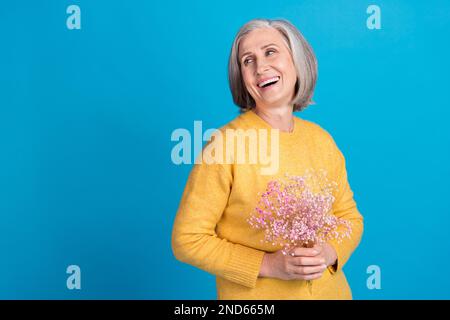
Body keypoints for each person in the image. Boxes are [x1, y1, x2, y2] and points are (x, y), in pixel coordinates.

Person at [171, 18, 363, 300]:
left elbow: (350, 218)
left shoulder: (322, 141)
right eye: (248, 61)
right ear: (242, 77)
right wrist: (268, 264)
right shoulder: (225, 145)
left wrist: (330, 251)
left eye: (270, 52)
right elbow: (187, 239)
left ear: (297, 60)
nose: (260, 67)